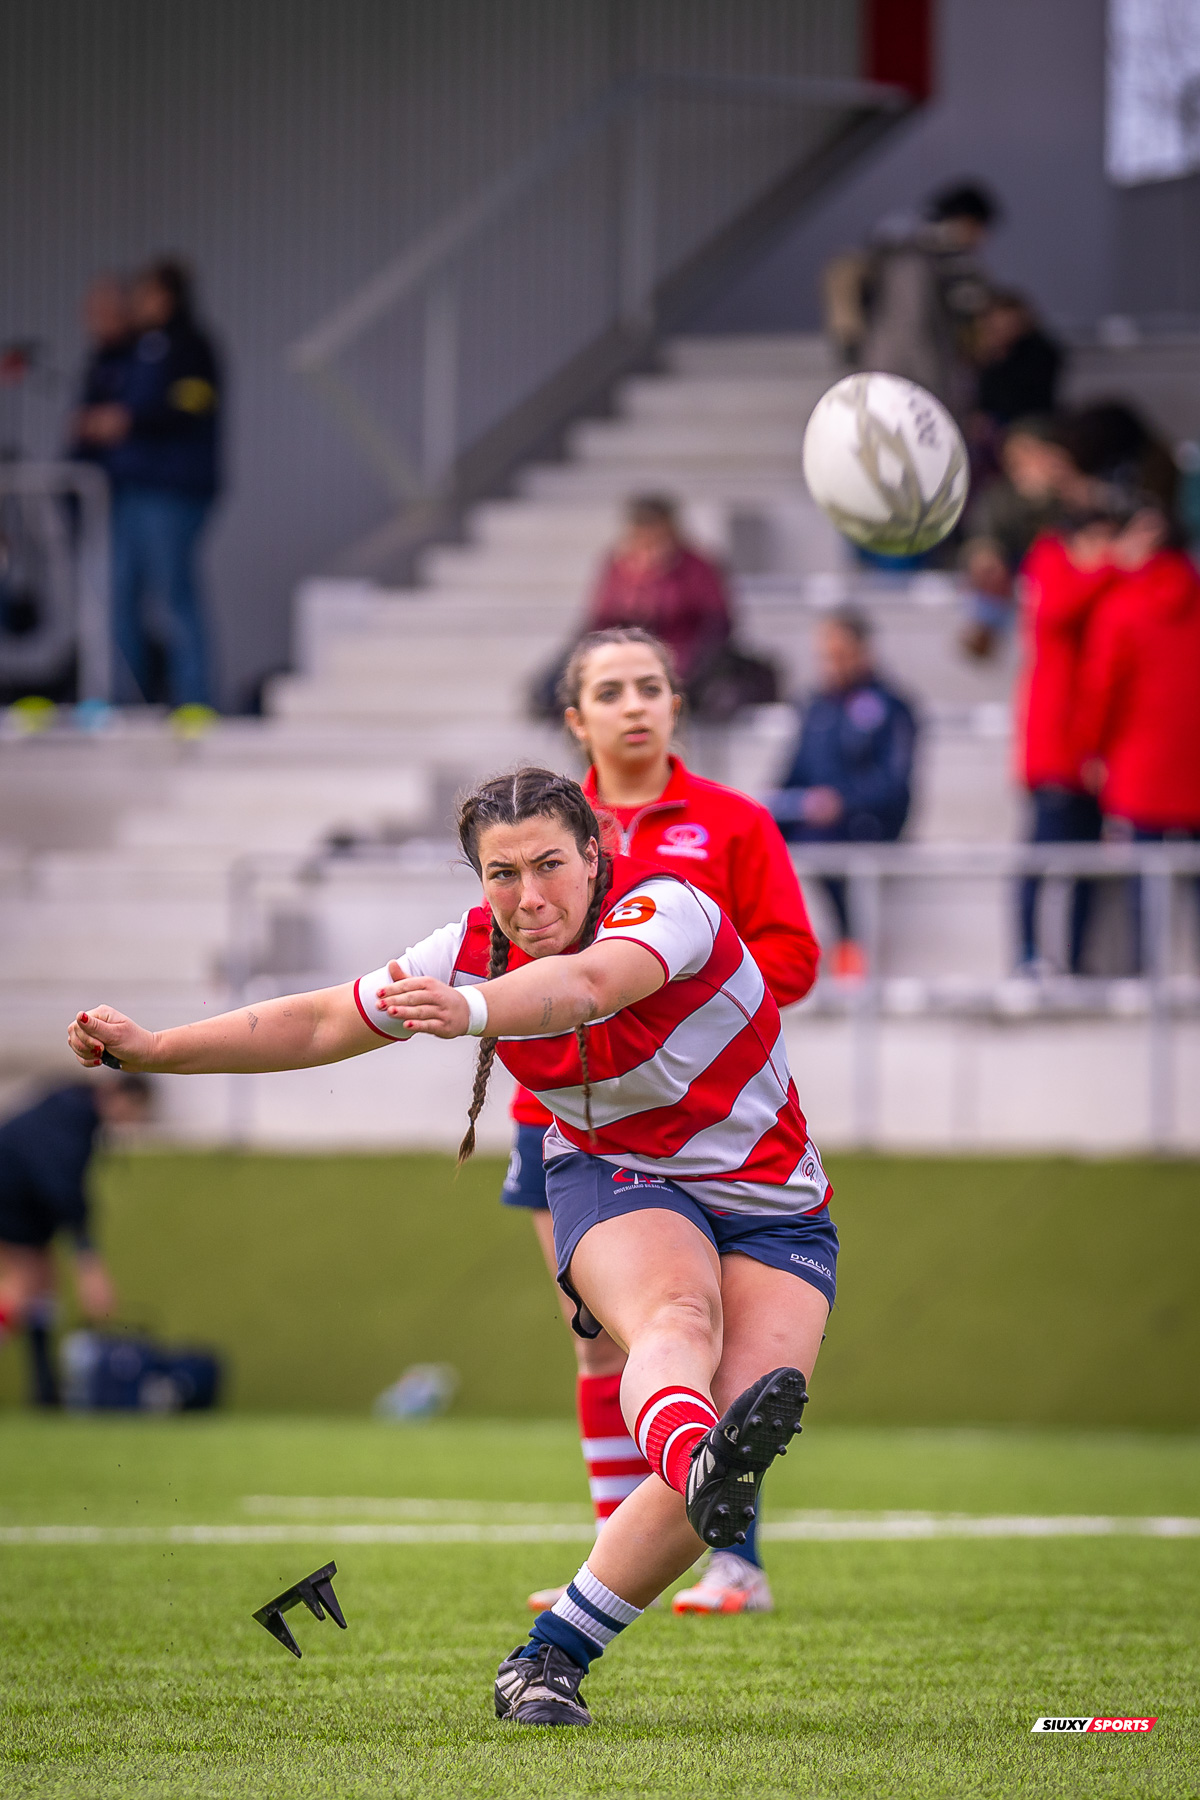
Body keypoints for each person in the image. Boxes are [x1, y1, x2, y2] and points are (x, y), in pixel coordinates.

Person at [68, 767, 837, 1729]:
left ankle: (547, 1655)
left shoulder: (668, 904)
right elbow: (319, 1021)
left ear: (595, 853)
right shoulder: (466, 948)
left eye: (551, 865)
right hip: (617, 1174)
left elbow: (590, 985)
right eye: (500, 874)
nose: (528, 897)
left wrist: (472, 1009)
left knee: (734, 1446)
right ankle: (694, 1458)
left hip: (775, 1203)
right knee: (675, 1328)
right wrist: (156, 1047)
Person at [508, 627, 819, 1618]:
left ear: (677, 705)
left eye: (651, 686)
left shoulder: (731, 821)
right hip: (556, 1120)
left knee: (710, 1344)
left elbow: (795, 958)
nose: (634, 704)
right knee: (600, 1347)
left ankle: (733, 1561)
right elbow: (501, 954)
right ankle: (618, 1552)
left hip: (701, 1123)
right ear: (577, 718)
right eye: (611, 690)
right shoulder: (540, 830)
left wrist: (675, 997)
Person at [74, 256, 222, 713]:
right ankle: (126, 703)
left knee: (175, 596)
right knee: (116, 602)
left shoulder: (190, 346)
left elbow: (194, 402)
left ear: (165, 296)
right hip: (126, 491)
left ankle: (196, 702)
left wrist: (130, 420)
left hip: (172, 491)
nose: (134, 304)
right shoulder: (130, 350)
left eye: (142, 294)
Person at [1074, 504, 1200, 969]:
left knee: (1142, 889)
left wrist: (1090, 750)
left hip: (1140, 774)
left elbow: (1100, 688)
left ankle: (1146, 985)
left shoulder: (1123, 606)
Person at [770, 607, 916, 977]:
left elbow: (895, 786)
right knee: (747, 831)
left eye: (840, 654)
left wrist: (844, 801)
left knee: (820, 843)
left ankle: (850, 942)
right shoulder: (815, 706)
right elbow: (792, 773)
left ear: (864, 652)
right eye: (826, 656)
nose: (831, 664)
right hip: (812, 815)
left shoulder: (892, 707)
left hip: (867, 820)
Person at [1014, 512, 1127, 974]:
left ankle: (1078, 961)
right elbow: (1059, 608)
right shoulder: (1053, 568)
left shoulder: (1101, 588)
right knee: (1042, 857)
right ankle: (1027, 954)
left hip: (1093, 754)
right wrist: (1112, 565)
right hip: (1054, 753)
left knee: (1086, 868)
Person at [0, 1074, 149, 1405]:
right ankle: (44, 1389)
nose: (131, 1121)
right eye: (134, 1111)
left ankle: (44, 1389)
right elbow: (64, 1188)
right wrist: (88, 1264)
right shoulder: (74, 1118)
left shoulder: (74, 1107)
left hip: (25, 1202)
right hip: (9, 1196)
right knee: (23, 1286)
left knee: (43, 1292)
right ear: (119, 1095)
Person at [959, 415, 1090, 659]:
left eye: (1030, 456)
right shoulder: (998, 495)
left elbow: (1091, 531)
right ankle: (985, 629)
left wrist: (1064, 489)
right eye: (1014, 460)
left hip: (1066, 579)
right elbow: (983, 536)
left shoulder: (1073, 493)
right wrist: (984, 555)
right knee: (988, 572)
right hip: (1015, 573)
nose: (1021, 466)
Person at [68, 276, 134, 477]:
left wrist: (101, 423)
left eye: (103, 312)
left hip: (127, 478)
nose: (94, 320)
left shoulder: (141, 357)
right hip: (93, 476)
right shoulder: (99, 359)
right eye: (91, 312)